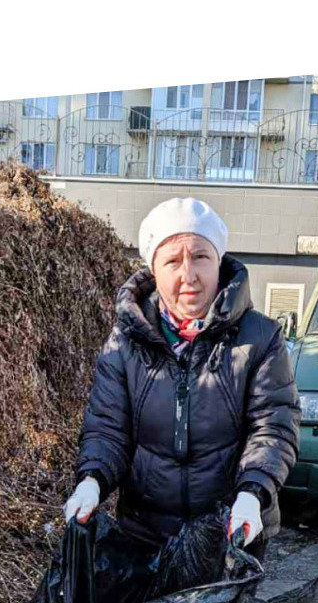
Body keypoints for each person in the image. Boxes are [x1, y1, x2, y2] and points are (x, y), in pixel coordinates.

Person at [68, 197, 297, 555]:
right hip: (144, 534)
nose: (188, 275)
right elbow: (107, 427)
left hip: (231, 530)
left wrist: (253, 493)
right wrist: (92, 480)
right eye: (173, 261)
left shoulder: (260, 337)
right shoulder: (127, 341)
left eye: (201, 257)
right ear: (154, 271)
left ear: (218, 263)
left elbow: (273, 426)